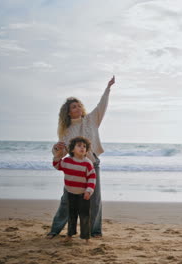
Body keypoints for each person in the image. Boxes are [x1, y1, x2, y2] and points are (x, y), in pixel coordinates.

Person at [47, 75, 115, 239]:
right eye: (74, 107)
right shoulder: (67, 131)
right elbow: (61, 152)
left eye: (79, 106)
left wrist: (108, 89)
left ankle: (95, 231)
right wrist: (55, 150)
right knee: (67, 201)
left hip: (92, 165)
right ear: (69, 113)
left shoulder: (91, 119)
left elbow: (101, 106)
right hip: (73, 167)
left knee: (94, 199)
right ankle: (55, 230)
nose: (78, 108)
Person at [53, 136, 96, 242]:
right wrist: (57, 154)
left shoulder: (87, 163)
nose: (82, 148)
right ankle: (70, 235)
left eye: (84, 146)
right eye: (79, 146)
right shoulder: (67, 161)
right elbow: (57, 165)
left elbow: (92, 178)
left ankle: (86, 237)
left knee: (85, 216)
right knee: (71, 215)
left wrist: (89, 191)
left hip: (83, 194)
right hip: (71, 193)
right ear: (72, 149)